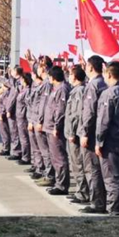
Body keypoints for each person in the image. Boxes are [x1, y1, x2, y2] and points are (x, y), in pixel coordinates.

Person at [95, 61, 119, 217]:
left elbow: (104, 120)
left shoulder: (109, 93)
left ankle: (115, 210)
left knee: (111, 177)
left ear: (109, 74)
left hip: (110, 140)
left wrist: (99, 141)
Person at [77, 55, 108, 213]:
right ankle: (101, 200)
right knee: (100, 169)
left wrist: (84, 133)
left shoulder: (93, 85)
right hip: (101, 132)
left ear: (90, 67)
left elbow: (89, 112)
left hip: (92, 133)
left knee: (92, 169)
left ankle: (97, 202)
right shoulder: (105, 83)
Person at [43, 66, 71, 195]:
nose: (48, 78)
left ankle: (62, 185)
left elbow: (60, 110)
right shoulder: (55, 89)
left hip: (55, 128)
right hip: (49, 127)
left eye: (49, 76)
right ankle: (58, 182)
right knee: (54, 157)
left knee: (59, 157)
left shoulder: (62, 89)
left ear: (54, 77)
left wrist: (56, 126)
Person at [64, 65, 89, 204]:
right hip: (72, 132)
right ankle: (81, 191)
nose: (69, 76)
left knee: (78, 164)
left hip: (75, 134)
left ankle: (82, 193)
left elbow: (77, 114)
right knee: (76, 164)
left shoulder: (79, 91)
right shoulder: (76, 90)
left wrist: (72, 132)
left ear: (75, 76)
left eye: (70, 74)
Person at [35, 57, 56, 187]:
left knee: (47, 151)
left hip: (44, 122)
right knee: (44, 151)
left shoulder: (47, 85)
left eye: (39, 66)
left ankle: (50, 175)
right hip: (40, 120)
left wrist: (40, 120)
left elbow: (45, 105)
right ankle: (46, 173)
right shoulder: (44, 83)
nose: (37, 68)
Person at [27, 71, 46, 180]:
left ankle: (42, 169)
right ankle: (37, 166)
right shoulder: (35, 87)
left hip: (38, 121)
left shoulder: (44, 87)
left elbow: (41, 107)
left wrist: (37, 121)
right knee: (35, 147)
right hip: (33, 120)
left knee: (41, 149)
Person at [4, 66, 24, 161]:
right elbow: (8, 82)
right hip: (14, 110)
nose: (11, 71)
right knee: (14, 132)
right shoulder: (15, 81)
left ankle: (17, 152)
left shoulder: (20, 82)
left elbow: (14, 97)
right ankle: (16, 151)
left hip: (16, 111)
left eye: (13, 70)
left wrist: (9, 109)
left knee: (15, 132)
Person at [15, 73, 32, 166]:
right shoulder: (23, 89)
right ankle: (24, 155)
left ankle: (26, 157)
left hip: (23, 116)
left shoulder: (27, 91)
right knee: (22, 138)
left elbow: (28, 105)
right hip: (19, 115)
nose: (20, 81)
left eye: (22, 79)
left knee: (24, 138)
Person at [0, 80, 11, 156]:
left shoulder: (6, 94)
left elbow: (4, 105)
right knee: (3, 132)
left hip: (2, 115)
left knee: (4, 132)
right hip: (0, 114)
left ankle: (6, 148)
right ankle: (5, 147)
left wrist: (2, 114)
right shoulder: (3, 93)